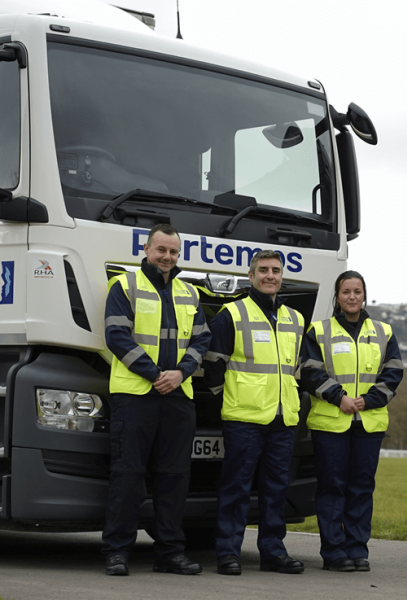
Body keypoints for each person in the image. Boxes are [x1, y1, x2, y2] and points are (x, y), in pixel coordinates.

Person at [102, 223, 210, 576]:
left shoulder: (190, 293)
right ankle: (117, 552)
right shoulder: (124, 285)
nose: (167, 257)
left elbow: (201, 340)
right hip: (135, 395)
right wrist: (156, 375)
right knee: (127, 475)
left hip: (178, 396)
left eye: (173, 252)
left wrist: (179, 373)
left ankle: (169, 553)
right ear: (146, 250)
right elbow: (116, 335)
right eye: (161, 250)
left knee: (174, 477)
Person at [203, 250, 305, 576]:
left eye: (275, 270)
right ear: (251, 276)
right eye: (263, 270)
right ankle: (228, 553)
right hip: (244, 419)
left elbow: (297, 369)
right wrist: (231, 398)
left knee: (276, 488)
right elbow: (213, 366)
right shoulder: (230, 314)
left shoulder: (295, 319)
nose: (270, 276)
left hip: (283, 418)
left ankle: (273, 551)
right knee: (237, 488)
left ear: (281, 276)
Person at [299, 271, 404, 572]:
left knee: (361, 488)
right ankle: (333, 552)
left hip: (368, 424)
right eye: (346, 292)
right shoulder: (318, 331)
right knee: (332, 487)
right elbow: (310, 371)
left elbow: (394, 371)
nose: (352, 297)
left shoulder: (383, 331)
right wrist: (339, 397)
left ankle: (358, 550)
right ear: (337, 296)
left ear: (364, 295)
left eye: (357, 291)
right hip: (331, 422)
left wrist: (368, 400)